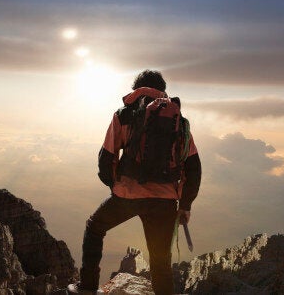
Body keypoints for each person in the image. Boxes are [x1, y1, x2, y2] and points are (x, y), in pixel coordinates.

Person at [68, 70, 202, 295]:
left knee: (95, 228)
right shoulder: (179, 121)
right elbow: (193, 168)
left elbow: (106, 159)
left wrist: (116, 187)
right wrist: (185, 205)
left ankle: (87, 288)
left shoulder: (124, 114)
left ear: (136, 89)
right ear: (163, 90)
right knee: (160, 261)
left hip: (127, 196)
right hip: (165, 201)